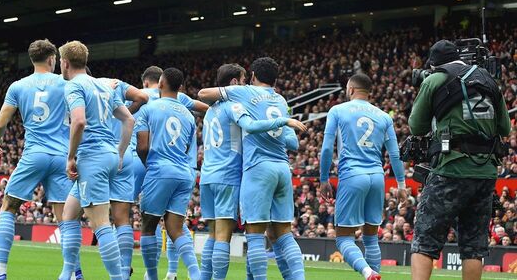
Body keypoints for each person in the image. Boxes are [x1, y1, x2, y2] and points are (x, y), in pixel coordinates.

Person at [408, 40, 511, 280]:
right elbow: (505, 128)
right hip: (485, 172)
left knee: (425, 239)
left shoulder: (435, 79)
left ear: (434, 63)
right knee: (474, 246)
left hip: (450, 168)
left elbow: (416, 125)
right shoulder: (487, 79)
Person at [198, 57, 306, 280]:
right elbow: (293, 143)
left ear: (254, 77)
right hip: (282, 169)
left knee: (248, 236)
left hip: (246, 170)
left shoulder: (236, 98)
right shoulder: (280, 100)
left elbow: (205, 95)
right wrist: (282, 124)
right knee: (284, 234)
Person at [0, 39, 73, 280]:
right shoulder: (65, 83)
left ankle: (0, 271)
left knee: (9, 206)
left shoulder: (18, 86)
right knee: (65, 216)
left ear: (32, 60)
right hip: (62, 156)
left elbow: (0, 123)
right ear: (52, 59)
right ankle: (73, 272)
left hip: (34, 154)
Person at [60, 69, 149, 280]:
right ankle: (70, 274)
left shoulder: (81, 88)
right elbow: (142, 98)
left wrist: (70, 156)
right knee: (72, 213)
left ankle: (117, 276)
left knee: (100, 223)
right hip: (120, 153)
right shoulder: (112, 84)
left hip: (95, 156)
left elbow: (78, 122)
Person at [319, 73, 407, 280]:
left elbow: (325, 149)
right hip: (377, 177)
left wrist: (324, 179)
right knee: (371, 239)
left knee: (343, 239)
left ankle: (368, 273)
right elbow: (394, 154)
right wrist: (401, 184)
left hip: (352, 175)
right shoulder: (384, 116)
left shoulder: (338, 110)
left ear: (350, 90)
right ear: (369, 92)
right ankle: (373, 274)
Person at [129, 66, 208, 280]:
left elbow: (142, 147)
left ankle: (152, 276)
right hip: (184, 172)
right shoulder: (189, 115)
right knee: (176, 229)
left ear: (161, 83)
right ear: (180, 87)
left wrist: (150, 165)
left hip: (159, 169)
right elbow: (186, 147)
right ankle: (196, 274)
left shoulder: (148, 109)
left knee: (148, 225)